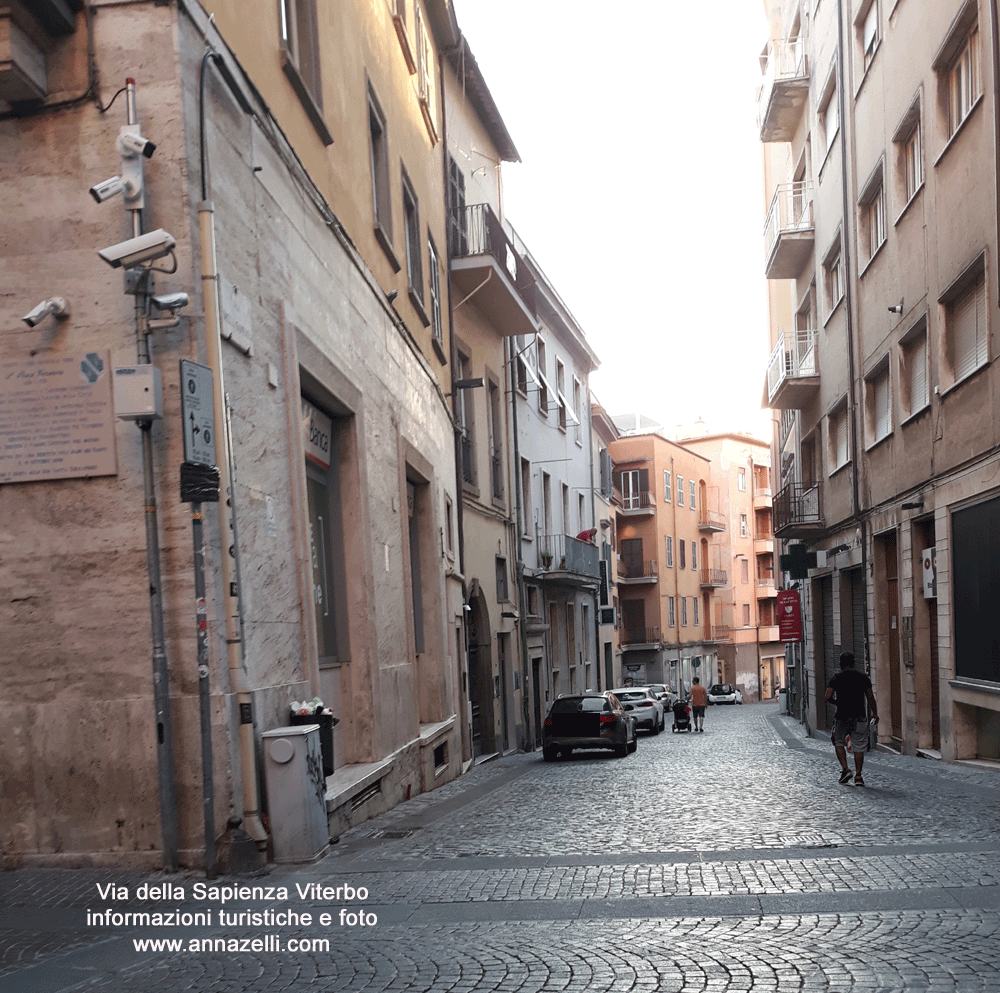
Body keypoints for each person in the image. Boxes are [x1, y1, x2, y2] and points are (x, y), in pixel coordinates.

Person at [825, 651, 879, 786]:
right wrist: (875, 713)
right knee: (859, 746)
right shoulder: (863, 678)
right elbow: (870, 697)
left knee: (838, 742)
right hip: (859, 716)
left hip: (842, 716)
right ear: (854, 663)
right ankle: (859, 776)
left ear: (840, 664)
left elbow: (827, 696)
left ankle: (846, 769)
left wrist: (837, 703)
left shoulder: (836, 678)